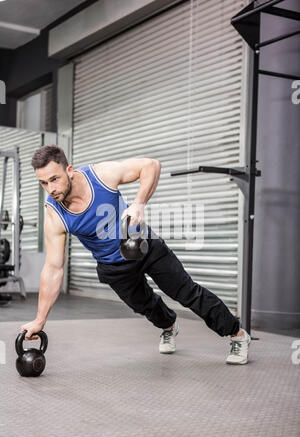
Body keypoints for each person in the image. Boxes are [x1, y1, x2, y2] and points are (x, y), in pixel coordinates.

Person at [20, 145, 251, 365]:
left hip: (143, 245)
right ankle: (169, 326)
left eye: (54, 179)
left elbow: (151, 165)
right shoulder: (54, 215)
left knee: (186, 291)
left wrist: (139, 203)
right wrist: (40, 319)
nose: (51, 188)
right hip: (113, 266)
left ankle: (237, 334)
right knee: (145, 306)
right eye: (43, 183)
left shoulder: (101, 175)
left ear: (69, 171)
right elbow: (53, 268)